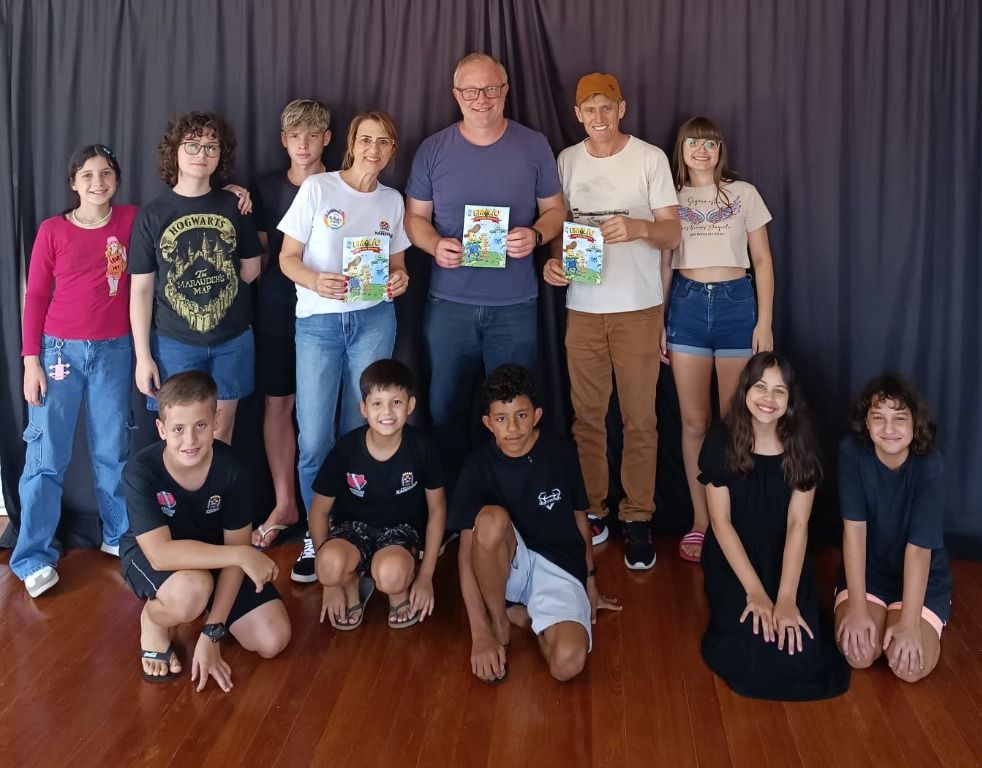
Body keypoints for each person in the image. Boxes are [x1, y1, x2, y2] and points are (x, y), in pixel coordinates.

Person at [405, 52, 566, 491]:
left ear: (505, 91)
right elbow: (414, 218)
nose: (481, 98)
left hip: (515, 305)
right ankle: (454, 505)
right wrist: (434, 245)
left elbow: (556, 210)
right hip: (449, 304)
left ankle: (514, 500)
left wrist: (535, 234)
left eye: (491, 88)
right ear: (456, 95)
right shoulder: (433, 149)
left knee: (515, 414)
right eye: (471, 90)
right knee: (445, 409)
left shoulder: (533, 145)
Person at [543, 72, 681, 570]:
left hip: (638, 308)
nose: (598, 117)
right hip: (583, 308)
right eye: (589, 109)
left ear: (622, 109)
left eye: (607, 107)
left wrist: (640, 227)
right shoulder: (566, 160)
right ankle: (594, 509)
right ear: (577, 115)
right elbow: (560, 228)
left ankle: (638, 517)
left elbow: (673, 233)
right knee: (587, 418)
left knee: (640, 418)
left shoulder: (649, 158)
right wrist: (555, 264)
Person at [278, 111, 410, 583]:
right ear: (352, 143)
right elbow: (287, 258)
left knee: (364, 431)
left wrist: (400, 279)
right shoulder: (319, 188)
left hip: (374, 320)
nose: (374, 150)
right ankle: (316, 537)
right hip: (318, 323)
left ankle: (355, 533)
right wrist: (315, 280)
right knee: (315, 437)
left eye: (384, 142)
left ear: (393, 150)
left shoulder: (392, 200)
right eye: (367, 140)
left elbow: (398, 265)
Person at [13, 144, 138, 597]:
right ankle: (32, 557)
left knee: (112, 451)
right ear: (73, 183)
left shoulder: (131, 220)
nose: (97, 182)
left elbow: (180, 210)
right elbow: (35, 297)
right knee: (46, 458)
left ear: (116, 179)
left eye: (105, 173)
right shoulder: (53, 230)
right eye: (87, 175)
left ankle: (118, 536)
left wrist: (234, 192)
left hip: (115, 350)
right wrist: (31, 361)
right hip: (58, 353)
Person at [120, 371, 291, 689]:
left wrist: (212, 633)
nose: (190, 440)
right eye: (178, 429)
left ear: (216, 420)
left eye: (200, 425)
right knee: (191, 590)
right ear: (161, 429)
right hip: (155, 555)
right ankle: (154, 620)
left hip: (217, 555)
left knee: (273, 638)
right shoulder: (140, 471)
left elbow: (235, 554)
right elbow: (160, 555)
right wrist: (241, 555)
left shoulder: (234, 470)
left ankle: (207, 608)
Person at [450, 365, 620, 683]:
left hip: (559, 565)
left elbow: (580, 520)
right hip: (507, 566)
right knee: (491, 519)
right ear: (488, 423)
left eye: (521, 415)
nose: (513, 428)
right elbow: (465, 553)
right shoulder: (477, 466)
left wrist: (591, 585)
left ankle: (528, 619)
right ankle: (500, 618)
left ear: (537, 415)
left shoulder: (561, 453)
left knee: (568, 664)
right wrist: (480, 633)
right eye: (502, 419)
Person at [698, 352, 849, 700]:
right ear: (745, 391)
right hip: (734, 556)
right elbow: (721, 524)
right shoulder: (721, 439)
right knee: (756, 653)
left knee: (799, 652)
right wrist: (755, 591)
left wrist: (785, 598)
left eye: (779, 390)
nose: (769, 398)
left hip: (784, 553)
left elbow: (798, 524)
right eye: (761, 387)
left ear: (790, 399)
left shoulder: (802, 444)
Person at [662, 117, 775, 563]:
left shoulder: (743, 193)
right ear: (681, 149)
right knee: (694, 421)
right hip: (686, 305)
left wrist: (764, 323)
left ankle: (734, 518)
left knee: (735, 422)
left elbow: (762, 260)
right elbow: (664, 264)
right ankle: (701, 520)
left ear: (720, 149)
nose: (702, 150)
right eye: (693, 142)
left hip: (735, 305)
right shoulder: (669, 196)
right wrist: (659, 320)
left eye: (710, 143)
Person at [129, 111, 262, 444]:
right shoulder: (153, 215)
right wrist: (143, 357)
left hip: (232, 339)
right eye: (192, 145)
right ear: (174, 150)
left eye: (211, 147)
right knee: (179, 435)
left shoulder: (236, 205)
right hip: (174, 343)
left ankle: (216, 484)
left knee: (221, 431)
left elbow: (252, 269)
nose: (201, 154)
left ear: (220, 155)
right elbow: (141, 290)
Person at [309, 359, 447, 630]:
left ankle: (398, 593)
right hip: (352, 530)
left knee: (391, 573)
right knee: (327, 566)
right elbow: (319, 510)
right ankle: (350, 586)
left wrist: (426, 575)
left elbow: (438, 509)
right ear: (363, 408)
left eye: (396, 402)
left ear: (410, 405)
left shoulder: (422, 448)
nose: (387, 412)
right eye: (377, 403)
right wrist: (329, 584)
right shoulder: (346, 449)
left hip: (401, 531)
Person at [250, 99, 332, 550]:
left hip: (329, 311)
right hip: (277, 310)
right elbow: (262, 255)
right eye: (295, 136)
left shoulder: (343, 183)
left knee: (328, 411)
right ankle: (285, 503)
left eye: (312, 135)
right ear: (284, 140)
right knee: (279, 404)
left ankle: (332, 505)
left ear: (327, 139)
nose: (303, 144)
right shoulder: (264, 188)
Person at [834, 374, 951, 683]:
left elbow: (919, 551)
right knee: (858, 655)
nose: (889, 428)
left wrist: (910, 624)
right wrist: (857, 608)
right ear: (866, 422)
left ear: (914, 423)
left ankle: (913, 618)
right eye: (878, 418)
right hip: (869, 572)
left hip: (920, 578)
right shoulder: (851, 452)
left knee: (908, 668)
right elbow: (854, 532)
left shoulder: (930, 466)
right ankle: (870, 611)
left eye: (899, 418)